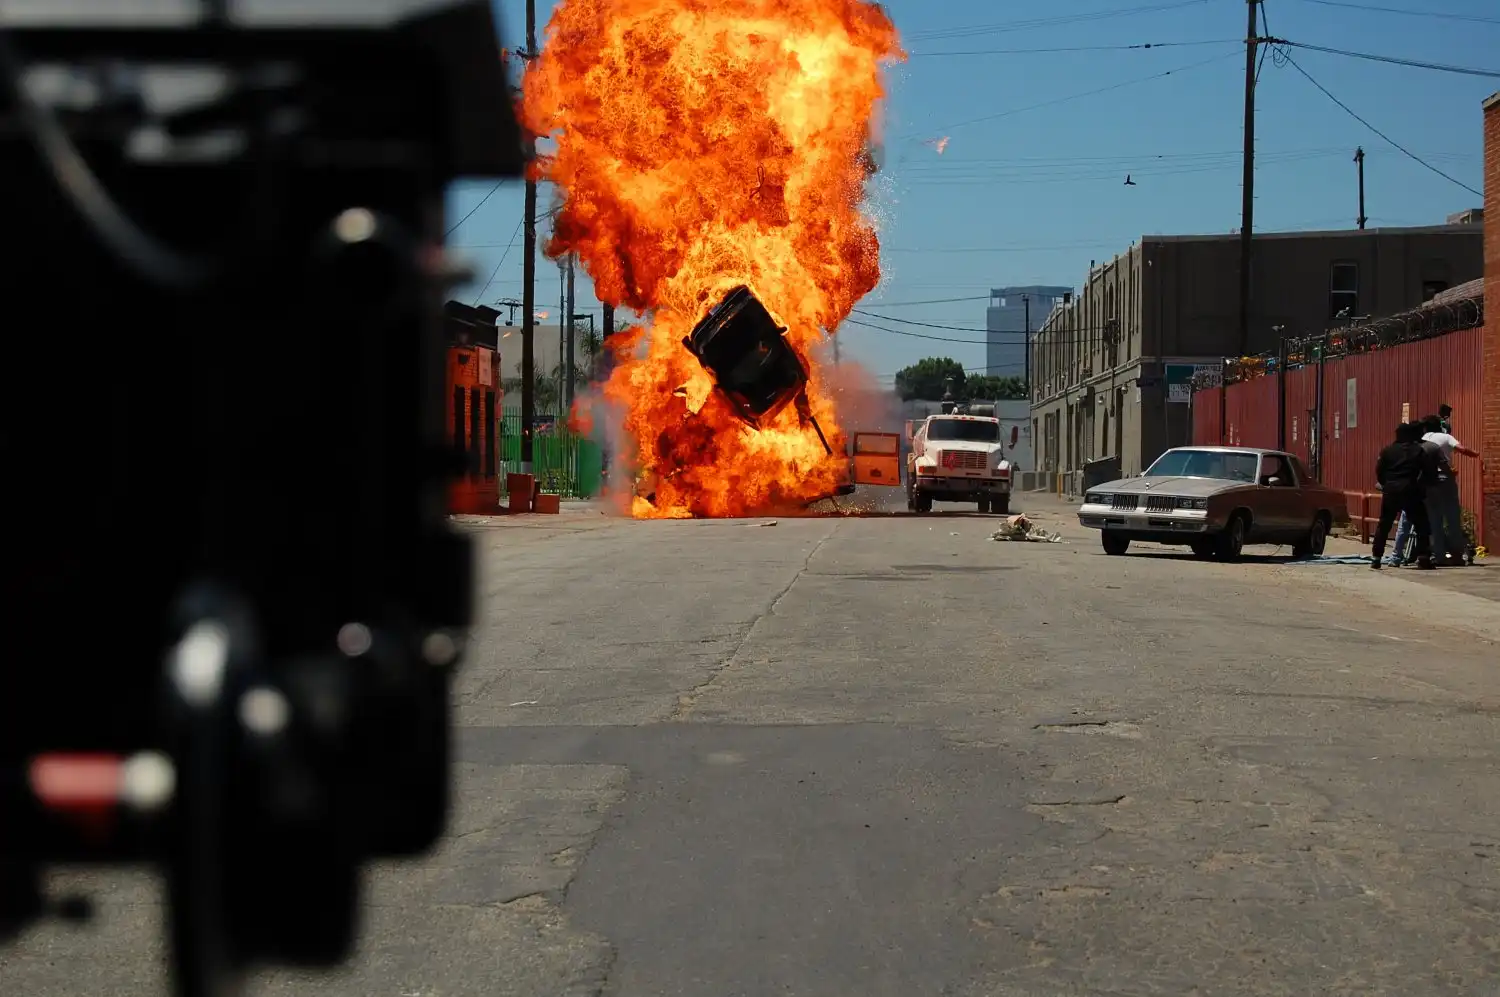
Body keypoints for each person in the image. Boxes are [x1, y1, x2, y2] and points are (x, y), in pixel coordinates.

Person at [1371, 422, 1436, 570]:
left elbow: (1379, 472)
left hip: (1391, 491)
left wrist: (1387, 484)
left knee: (1384, 524)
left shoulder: (1387, 451)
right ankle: (1423, 558)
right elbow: (1429, 471)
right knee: (1421, 525)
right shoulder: (1418, 451)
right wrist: (1422, 486)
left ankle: (1376, 558)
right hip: (1411, 490)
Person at [1420, 414, 1478, 564]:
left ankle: (1438, 555)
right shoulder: (1446, 437)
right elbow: (1461, 449)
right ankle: (1457, 555)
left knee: (1434, 519)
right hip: (1446, 479)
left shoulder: (1422, 439)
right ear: (1440, 426)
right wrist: (1475, 454)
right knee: (1452, 517)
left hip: (1430, 482)